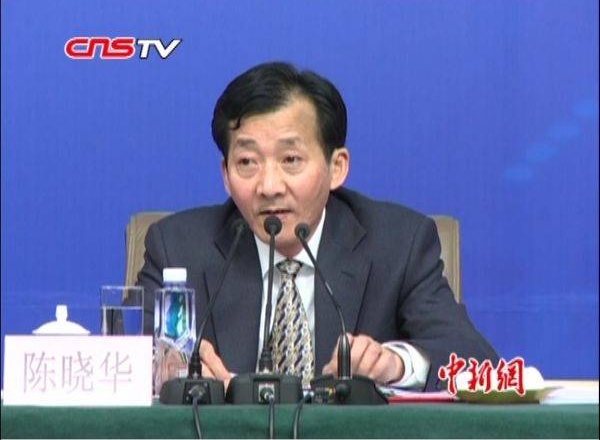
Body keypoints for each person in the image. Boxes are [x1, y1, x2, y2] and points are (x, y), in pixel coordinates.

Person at [138, 61, 498, 391]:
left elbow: (475, 361)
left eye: (290, 159)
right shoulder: (177, 246)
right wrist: (162, 365)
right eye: (247, 161)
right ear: (226, 175)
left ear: (336, 167)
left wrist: (397, 364)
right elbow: (122, 356)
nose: (269, 186)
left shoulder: (399, 243)